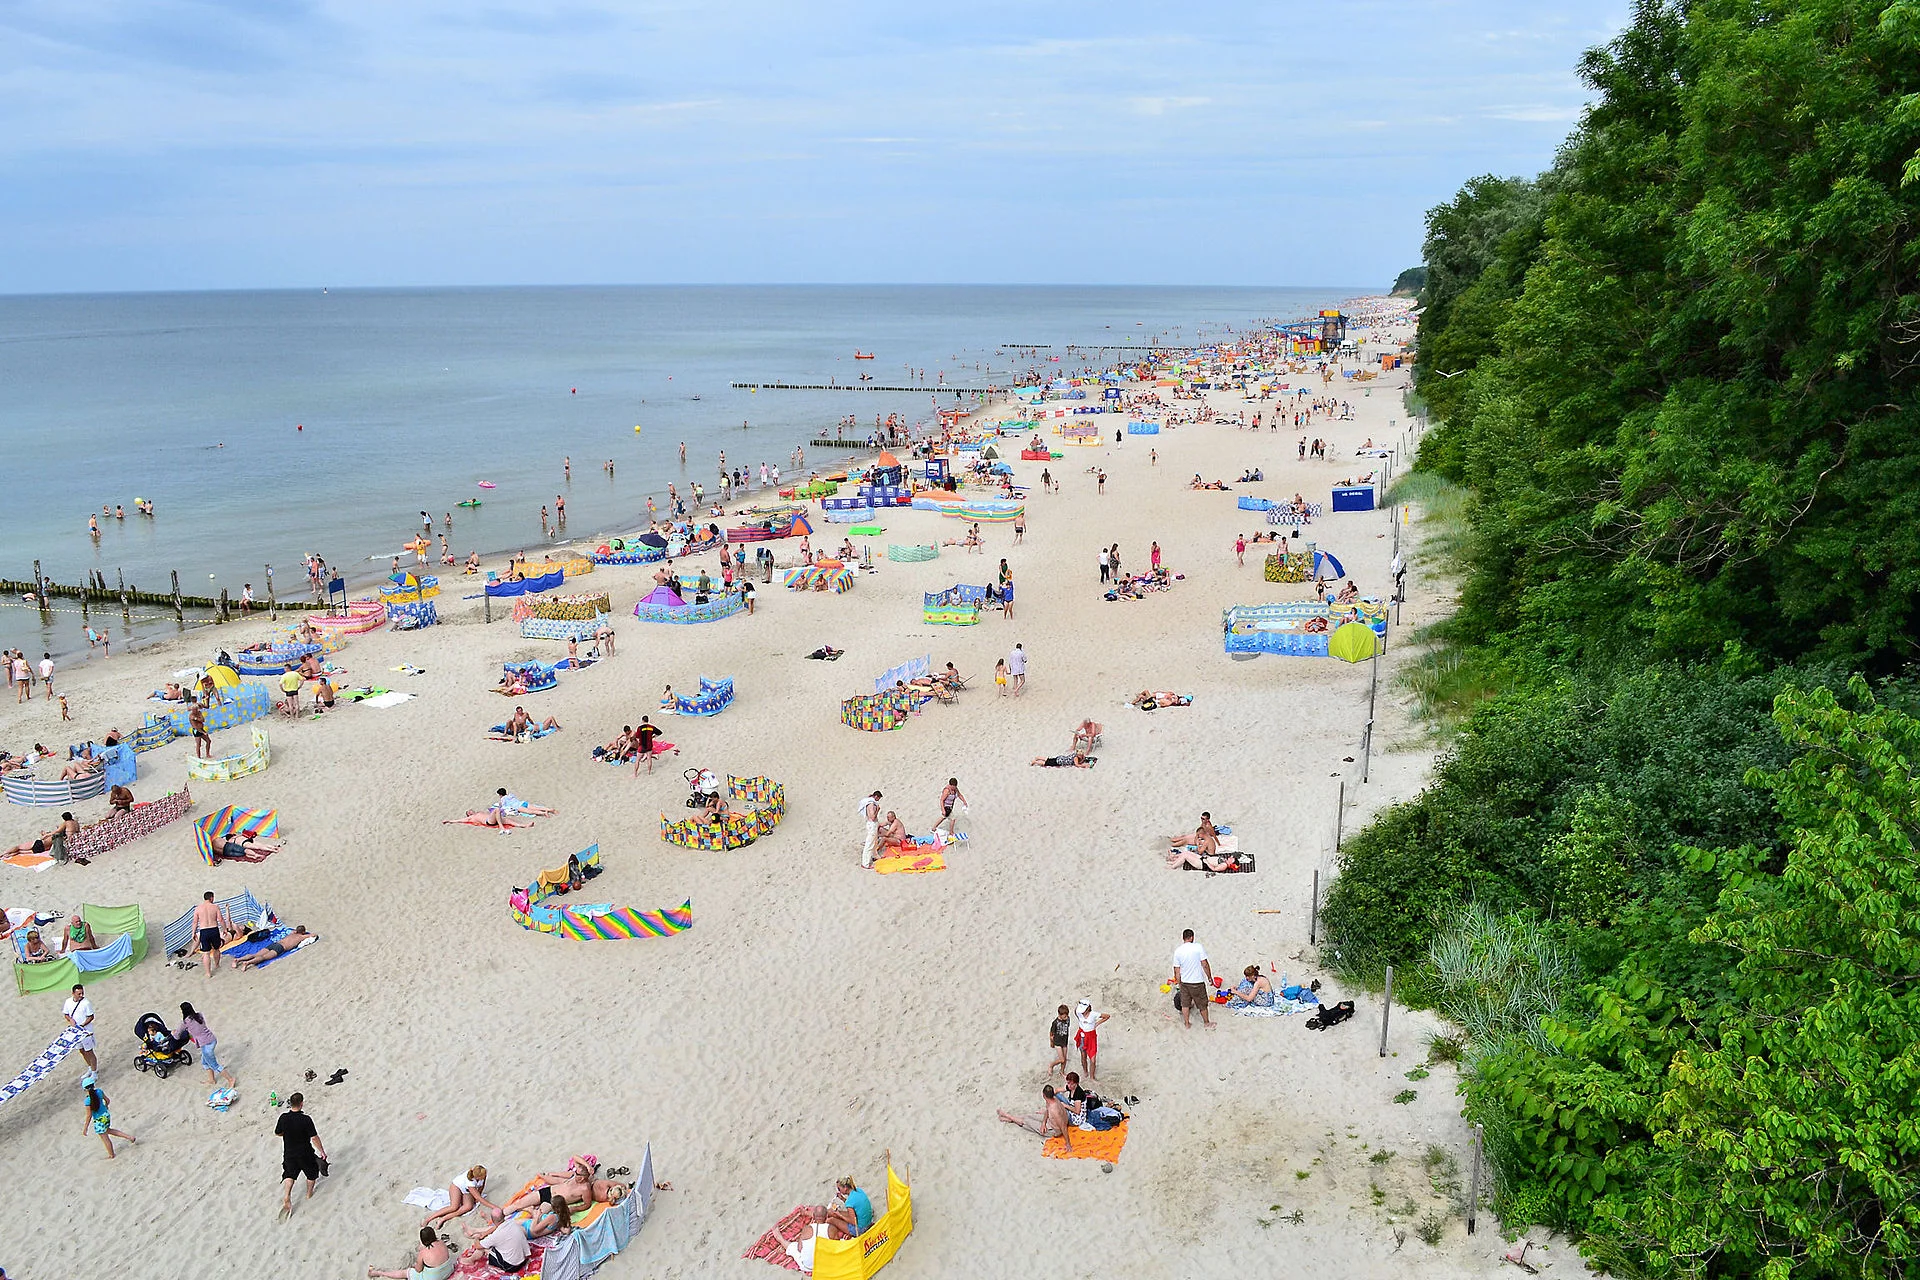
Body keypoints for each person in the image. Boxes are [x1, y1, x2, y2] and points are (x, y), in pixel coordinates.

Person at [275, 1091, 326, 1220]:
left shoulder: (283, 1118)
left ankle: (287, 1195)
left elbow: (278, 1133)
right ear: (302, 1104)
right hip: (305, 1153)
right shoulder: (306, 1119)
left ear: (290, 1103)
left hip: (289, 1153)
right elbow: (314, 1138)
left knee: (289, 1174)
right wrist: (322, 1151)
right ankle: (309, 1194)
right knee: (311, 1174)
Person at [177, 1003, 238, 1088]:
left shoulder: (185, 1022)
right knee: (204, 1062)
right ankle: (211, 1080)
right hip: (212, 1039)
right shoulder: (199, 1015)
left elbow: (177, 1034)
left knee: (215, 1065)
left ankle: (231, 1079)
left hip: (205, 1044)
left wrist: (173, 1034)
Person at [998, 1085, 1072, 1152]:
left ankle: (1007, 1116)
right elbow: (1047, 1110)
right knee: (1029, 1116)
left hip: (1054, 1130)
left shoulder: (1054, 1111)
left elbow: (1063, 1127)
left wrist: (1068, 1143)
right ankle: (1011, 1119)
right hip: (1050, 1121)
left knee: (1026, 1122)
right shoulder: (1053, 1099)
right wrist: (1043, 1123)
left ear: (1043, 1095)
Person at [367, 1226, 455, 1280]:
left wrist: (415, 1266)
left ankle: (379, 1273)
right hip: (449, 1270)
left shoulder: (423, 1253)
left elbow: (418, 1270)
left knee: (407, 1272)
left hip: (436, 1277)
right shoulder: (442, 1243)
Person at [423, 1165, 492, 1230]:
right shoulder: (470, 1182)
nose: (485, 1176)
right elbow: (479, 1197)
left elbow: (481, 1186)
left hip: (466, 1191)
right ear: (477, 1177)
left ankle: (443, 1218)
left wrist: (478, 1195)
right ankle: (429, 1219)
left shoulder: (483, 1175)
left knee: (468, 1207)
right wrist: (493, 1206)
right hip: (457, 1187)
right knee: (454, 1207)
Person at [82, 1075, 135, 1158]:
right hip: (106, 1115)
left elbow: (89, 1115)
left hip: (99, 1120)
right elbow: (107, 1100)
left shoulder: (88, 1101)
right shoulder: (99, 1091)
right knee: (109, 1130)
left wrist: (85, 1127)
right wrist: (106, 1106)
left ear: (85, 1089)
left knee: (105, 1138)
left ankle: (111, 1154)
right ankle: (129, 1137)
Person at [1172, 928, 1213, 1029]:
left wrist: (1179, 982)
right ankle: (1206, 1023)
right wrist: (1209, 977)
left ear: (1183, 938)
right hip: (1197, 981)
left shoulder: (1178, 951)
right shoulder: (1198, 947)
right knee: (1202, 1004)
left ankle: (1187, 1024)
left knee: (1185, 1003)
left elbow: (1176, 970)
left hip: (1184, 982)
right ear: (1192, 937)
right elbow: (1205, 964)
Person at [232, 925, 316, 970]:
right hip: (281, 947)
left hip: (275, 943)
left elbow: (294, 930)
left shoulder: (292, 933)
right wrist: (306, 934)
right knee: (263, 957)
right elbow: (313, 935)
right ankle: (247, 963)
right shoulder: (301, 937)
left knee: (256, 954)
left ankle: (238, 959)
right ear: (303, 932)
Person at [466, 1216, 531, 1274]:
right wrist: (484, 1233)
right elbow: (496, 1227)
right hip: (524, 1258)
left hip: (512, 1266)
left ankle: (471, 1260)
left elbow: (478, 1246)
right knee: (490, 1242)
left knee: (483, 1247)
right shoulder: (511, 1222)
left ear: (493, 1221)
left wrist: (476, 1238)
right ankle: (475, 1233)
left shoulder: (495, 1236)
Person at [193, 891, 232, 975]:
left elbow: (195, 922)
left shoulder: (198, 908)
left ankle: (208, 973)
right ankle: (217, 965)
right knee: (216, 949)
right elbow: (220, 919)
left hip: (204, 931)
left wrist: (193, 933)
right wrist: (225, 929)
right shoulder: (215, 907)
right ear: (211, 898)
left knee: (206, 953)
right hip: (214, 930)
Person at [1073, 998, 1112, 1080]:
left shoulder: (1093, 1014)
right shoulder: (1078, 1012)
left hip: (1091, 1037)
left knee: (1093, 1059)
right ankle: (1085, 1072)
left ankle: (1092, 1077)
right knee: (1083, 1056)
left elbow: (1107, 1016)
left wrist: (1097, 1023)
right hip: (1082, 1036)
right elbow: (1076, 1013)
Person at [827, 1174, 874, 1240]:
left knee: (832, 1220)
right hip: (868, 1220)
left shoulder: (849, 1202)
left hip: (861, 1228)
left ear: (845, 1188)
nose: (839, 1191)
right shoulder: (858, 1190)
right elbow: (854, 1205)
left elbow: (853, 1221)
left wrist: (839, 1215)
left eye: (839, 1189)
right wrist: (843, 1199)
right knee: (834, 1213)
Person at [64, 983, 99, 1070]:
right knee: (82, 1050)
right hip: (76, 1031)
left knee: (89, 1052)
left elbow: (91, 1016)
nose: (81, 995)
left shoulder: (86, 1003)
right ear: (73, 993)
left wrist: (82, 1025)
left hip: (86, 1031)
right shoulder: (68, 1002)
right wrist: (70, 1020)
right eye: (79, 993)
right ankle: (90, 1068)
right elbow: (66, 1014)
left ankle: (94, 1071)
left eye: (82, 993)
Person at [860, 791, 882, 869]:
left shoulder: (869, 802)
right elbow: (873, 817)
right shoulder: (872, 804)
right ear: (876, 797)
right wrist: (877, 810)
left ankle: (875, 855)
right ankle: (865, 863)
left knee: (875, 841)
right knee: (870, 843)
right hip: (872, 824)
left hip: (871, 824)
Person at [1049, 1003, 1071, 1077]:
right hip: (1057, 1042)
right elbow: (1051, 1034)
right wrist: (1051, 1042)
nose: (1066, 1017)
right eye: (1064, 1016)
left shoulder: (1068, 1019)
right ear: (1060, 1014)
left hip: (1064, 1041)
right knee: (1062, 1059)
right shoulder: (1055, 1023)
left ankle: (1062, 1071)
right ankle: (1051, 1065)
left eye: (1067, 1015)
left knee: (1064, 1058)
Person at [1030, 752, 1095, 768]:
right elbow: (1077, 764)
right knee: (1046, 763)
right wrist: (1085, 765)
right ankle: (1035, 762)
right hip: (1060, 762)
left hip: (1060, 758)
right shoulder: (1076, 758)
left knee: (1049, 759)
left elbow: (1081, 759)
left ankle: (1038, 757)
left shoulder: (1075, 754)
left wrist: (1083, 759)